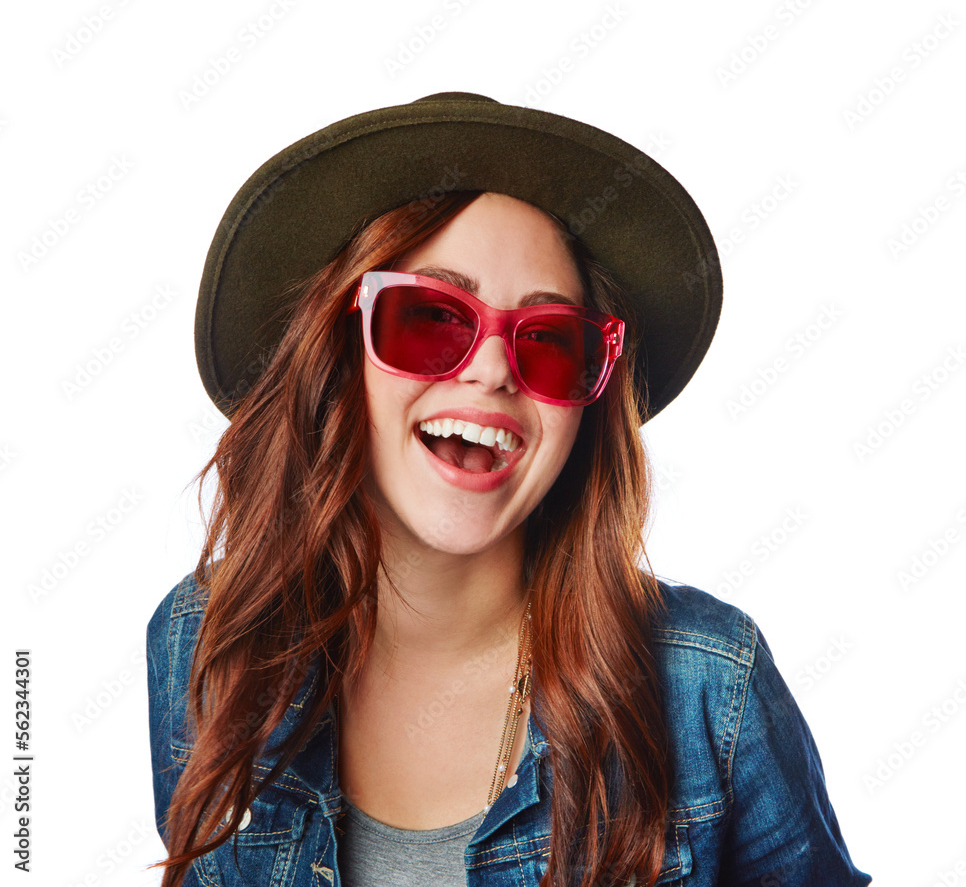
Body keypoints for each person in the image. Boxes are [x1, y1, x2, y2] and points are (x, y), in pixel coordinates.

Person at [146, 92, 872, 887]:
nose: (491, 369)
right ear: (335, 353)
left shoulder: (708, 687)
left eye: (552, 343)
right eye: (429, 318)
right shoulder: (207, 649)